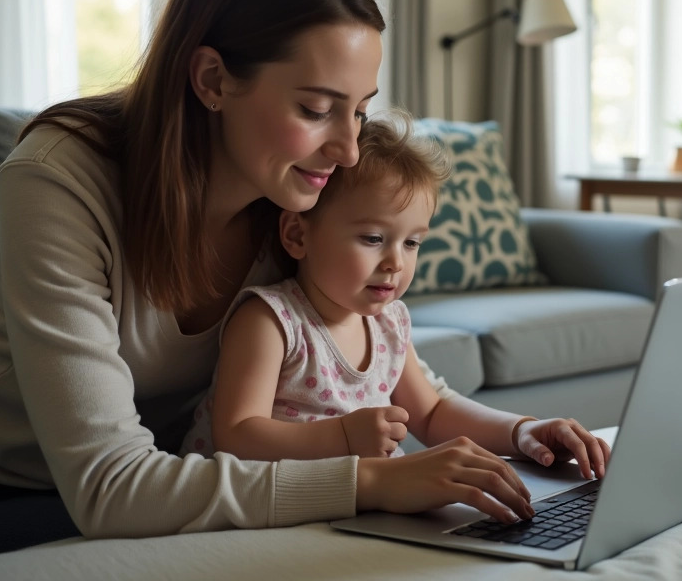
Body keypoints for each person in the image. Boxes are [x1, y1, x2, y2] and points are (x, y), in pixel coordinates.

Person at [0, 0, 539, 574]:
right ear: (212, 79)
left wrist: (515, 437)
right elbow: (110, 488)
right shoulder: (60, 177)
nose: (346, 150)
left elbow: (391, 368)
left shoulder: (294, 200)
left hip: (160, 476)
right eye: (317, 109)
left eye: (360, 111)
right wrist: (368, 482)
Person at [179, 113, 610, 480]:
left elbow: (433, 412)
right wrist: (343, 438)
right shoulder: (271, 320)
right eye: (372, 238)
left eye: (412, 243)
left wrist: (521, 432)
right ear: (297, 234)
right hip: (266, 503)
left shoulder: (389, 322)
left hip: (355, 501)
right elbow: (234, 434)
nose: (395, 263)